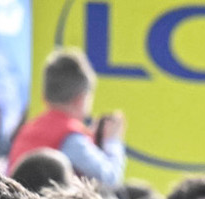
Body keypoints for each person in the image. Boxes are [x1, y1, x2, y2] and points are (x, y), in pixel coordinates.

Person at [8, 49, 125, 186]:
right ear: (80, 99)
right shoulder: (70, 137)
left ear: (45, 96)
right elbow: (109, 178)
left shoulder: (26, 130)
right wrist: (111, 141)